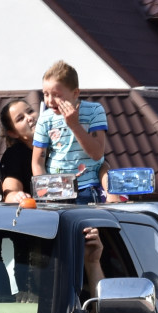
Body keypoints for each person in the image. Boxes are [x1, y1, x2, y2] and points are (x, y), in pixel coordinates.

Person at [31, 60, 108, 205]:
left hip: (87, 188)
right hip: (56, 191)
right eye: (45, 94)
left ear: (75, 93)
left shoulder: (94, 111)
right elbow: (37, 162)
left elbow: (97, 154)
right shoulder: (45, 119)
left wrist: (74, 125)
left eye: (56, 95)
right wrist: (45, 190)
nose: (49, 100)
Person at [0, 98, 37, 203]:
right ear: (13, 133)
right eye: (20, 118)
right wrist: (17, 196)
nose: (29, 118)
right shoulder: (13, 155)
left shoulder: (60, 143)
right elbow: (10, 193)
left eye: (30, 111)